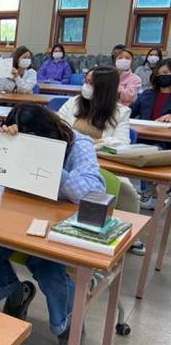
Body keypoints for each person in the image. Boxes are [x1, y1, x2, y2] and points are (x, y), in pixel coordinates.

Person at [0, 104, 105, 345]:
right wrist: (8, 146)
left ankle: (68, 322)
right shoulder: (14, 136)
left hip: (55, 226)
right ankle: (16, 293)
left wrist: (46, 162)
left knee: (50, 270)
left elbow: (93, 192)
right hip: (19, 217)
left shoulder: (79, 144)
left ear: (48, 132)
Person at [57, 66, 144, 255]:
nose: (86, 85)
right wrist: (85, 144)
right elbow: (58, 127)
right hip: (70, 160)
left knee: (127, 192)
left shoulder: (121, 112)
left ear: (104, 88)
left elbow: (121, 142)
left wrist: (87, 144)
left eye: (91, 83)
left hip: (103, 161)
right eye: (85, 81)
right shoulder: (73, 103)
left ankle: (130, 235)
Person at [130, 59, 171, 210]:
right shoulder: (147, 94)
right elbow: (129, 112)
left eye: (167, 73)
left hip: (165, 142)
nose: (164, 76)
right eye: (161, 73)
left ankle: (156, 192)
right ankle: (141, 191)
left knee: (156, 151)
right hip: (143, 138)